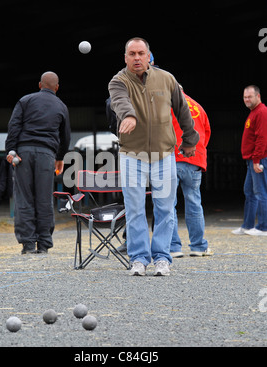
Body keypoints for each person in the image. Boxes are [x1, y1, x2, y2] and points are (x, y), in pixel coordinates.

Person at [108, 38, 199, 276]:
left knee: (165, 208)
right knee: (135, 208)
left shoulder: (167, 79)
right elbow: (120, 102)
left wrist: (190, 141)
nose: (137, 57)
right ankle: (138, 258)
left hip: (164, 154)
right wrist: (128, 116)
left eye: (141, 53)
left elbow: (183, 110)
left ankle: (162, 258)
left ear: (149, 56)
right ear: (125, 57)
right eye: (132, 54)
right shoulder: (118, 81)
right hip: (131, 155)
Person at [5, 71, 71, 254]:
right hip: (46, 154)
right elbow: (65, 137)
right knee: (44, 199)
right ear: (57, 88)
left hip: (23, 153)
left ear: (40, 85)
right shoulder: (61, 106)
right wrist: (60, 157)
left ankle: (27, 245)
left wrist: (11, 150)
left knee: (24, 198)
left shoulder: (25, 101)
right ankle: (43, 244)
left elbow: (14, 126)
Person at [170, 88, 212, 257]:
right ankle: (198, 247)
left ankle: (173, 248)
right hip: (194, 159)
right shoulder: (198, 107)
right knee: (194, 203)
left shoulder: (168, 104)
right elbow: (206, 133)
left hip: (172, 157)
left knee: (168, 205)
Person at [232, 85, 267, 236]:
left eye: (249, 97)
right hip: (252, 160)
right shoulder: (254, 112)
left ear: (258, 96)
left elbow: (262, 138)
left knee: (260, 192)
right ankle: (247, 226)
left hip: (258, 160)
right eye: (245, 97)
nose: (246, 99)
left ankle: (263, 227)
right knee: (249, 192)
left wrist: (256, 160)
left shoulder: (262, 112)